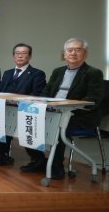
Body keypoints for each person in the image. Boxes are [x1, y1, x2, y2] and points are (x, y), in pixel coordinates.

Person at [21, 38, 104, 180]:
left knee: (58, 129)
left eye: (78, 50)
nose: (73, 53)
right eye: (69, 50)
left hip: (79, 115)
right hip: (53, 111)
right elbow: (46, 92)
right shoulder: (58, 71)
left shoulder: (93, 73)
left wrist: (68, 108)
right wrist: (40, 103)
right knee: (29, 124)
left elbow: (93, 99)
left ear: (86, 54)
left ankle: (56, 166)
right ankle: (39, 160)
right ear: (64, 54)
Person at [0, 43, 46, 166]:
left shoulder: (37, 74)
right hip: (5, 108)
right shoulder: (7, 73)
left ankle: (38, 159)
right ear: (13, 56)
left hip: (24, 110)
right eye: (17, 53)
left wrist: (19, 102)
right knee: (2, 122)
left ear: (30, 56)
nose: (20, 56)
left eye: (24, 53)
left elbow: (37, 93)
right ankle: (3, 154)